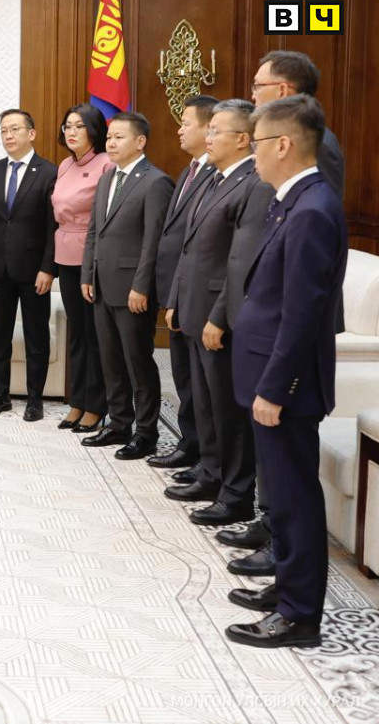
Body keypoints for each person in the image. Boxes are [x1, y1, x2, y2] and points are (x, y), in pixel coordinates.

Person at [224, 94, 346, 649]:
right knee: (282, 494)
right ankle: (288, 587)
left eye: (255, 144)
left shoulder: (313, 209)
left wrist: (276, 388)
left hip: (285, 386)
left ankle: (299, 615)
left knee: (294, 498)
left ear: (283, 144)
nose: (251, 155)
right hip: (268, 375)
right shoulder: (291, 200)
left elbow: (302, 314)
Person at [164, 100, 267, 528]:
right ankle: (210, 473)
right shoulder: (211, 177)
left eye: (216, 131)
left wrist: (220, 317)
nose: (208, 137)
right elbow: (188, 248)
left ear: (242, 139)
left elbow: (240, 262)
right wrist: (175, 297)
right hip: (192, 304)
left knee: (227, 409)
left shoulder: (253, 184)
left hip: (218, 315)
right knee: (203, 403)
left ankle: (236, 494)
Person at [80, 111, 173, 459]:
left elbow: (154, 241)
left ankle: (146, 432)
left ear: (140, 142)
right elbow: (95, 231)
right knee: (111, 360)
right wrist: (87, 274)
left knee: (138, 363)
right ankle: (119, 423)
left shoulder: (155, 182)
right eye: (109, 137)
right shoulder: (107, 177)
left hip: (133, 289)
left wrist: (142, 286)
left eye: (119, 137)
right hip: (102, 285)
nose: (111, 142)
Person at [0, 108, 57, 420]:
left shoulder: (50, 172)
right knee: (0, 334)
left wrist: (48, 268)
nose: (8, 136)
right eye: (4, 130)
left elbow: (53, 226)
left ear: (31, 133)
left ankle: (35, 399)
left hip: (35, 270)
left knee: (36, 335)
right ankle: (0, 395)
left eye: (15, 129)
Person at [149, 95, 217, 472]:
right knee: (184, 377)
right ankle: (190, 445)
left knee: (201, 386)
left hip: (200, 297)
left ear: (209, 129)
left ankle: (206, 457)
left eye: (186, 123)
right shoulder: (189, 171)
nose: (179, 129)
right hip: (179, 292)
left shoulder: (215, 176)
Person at [52, 104, 113, 433]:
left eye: (79, 126)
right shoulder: (64, 165)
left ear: (94, 130)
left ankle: (95, 405)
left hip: (92, 260)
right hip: (65, 257)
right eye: (68, 126)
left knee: (94, 335)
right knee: (77, 333)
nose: (71, 132)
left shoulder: (106, 163)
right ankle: (77, 402)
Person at [251, 50, 343, 199]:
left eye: (258, 86)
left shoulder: (320, 144)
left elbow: (320, 203)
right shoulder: (273, 135)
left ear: (282, 90)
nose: (253, 95)